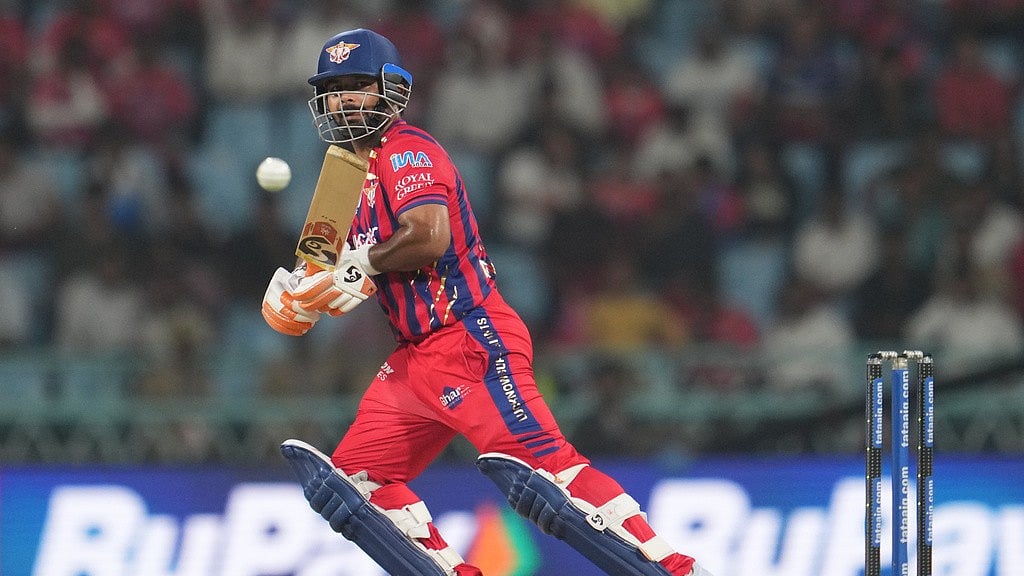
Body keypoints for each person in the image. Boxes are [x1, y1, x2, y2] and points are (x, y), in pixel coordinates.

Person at [261, 28, 712, 576]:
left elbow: (427, 236)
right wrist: (294, 299)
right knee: (356, 484)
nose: (344, 100)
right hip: (414, 359)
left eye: (358, 86)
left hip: (469, 336)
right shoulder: (340, 176)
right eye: (334, 89)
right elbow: (323, 277)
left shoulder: (409, 150)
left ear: (390, 91)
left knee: (547, 477)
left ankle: (675, 567)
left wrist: (358, 268)